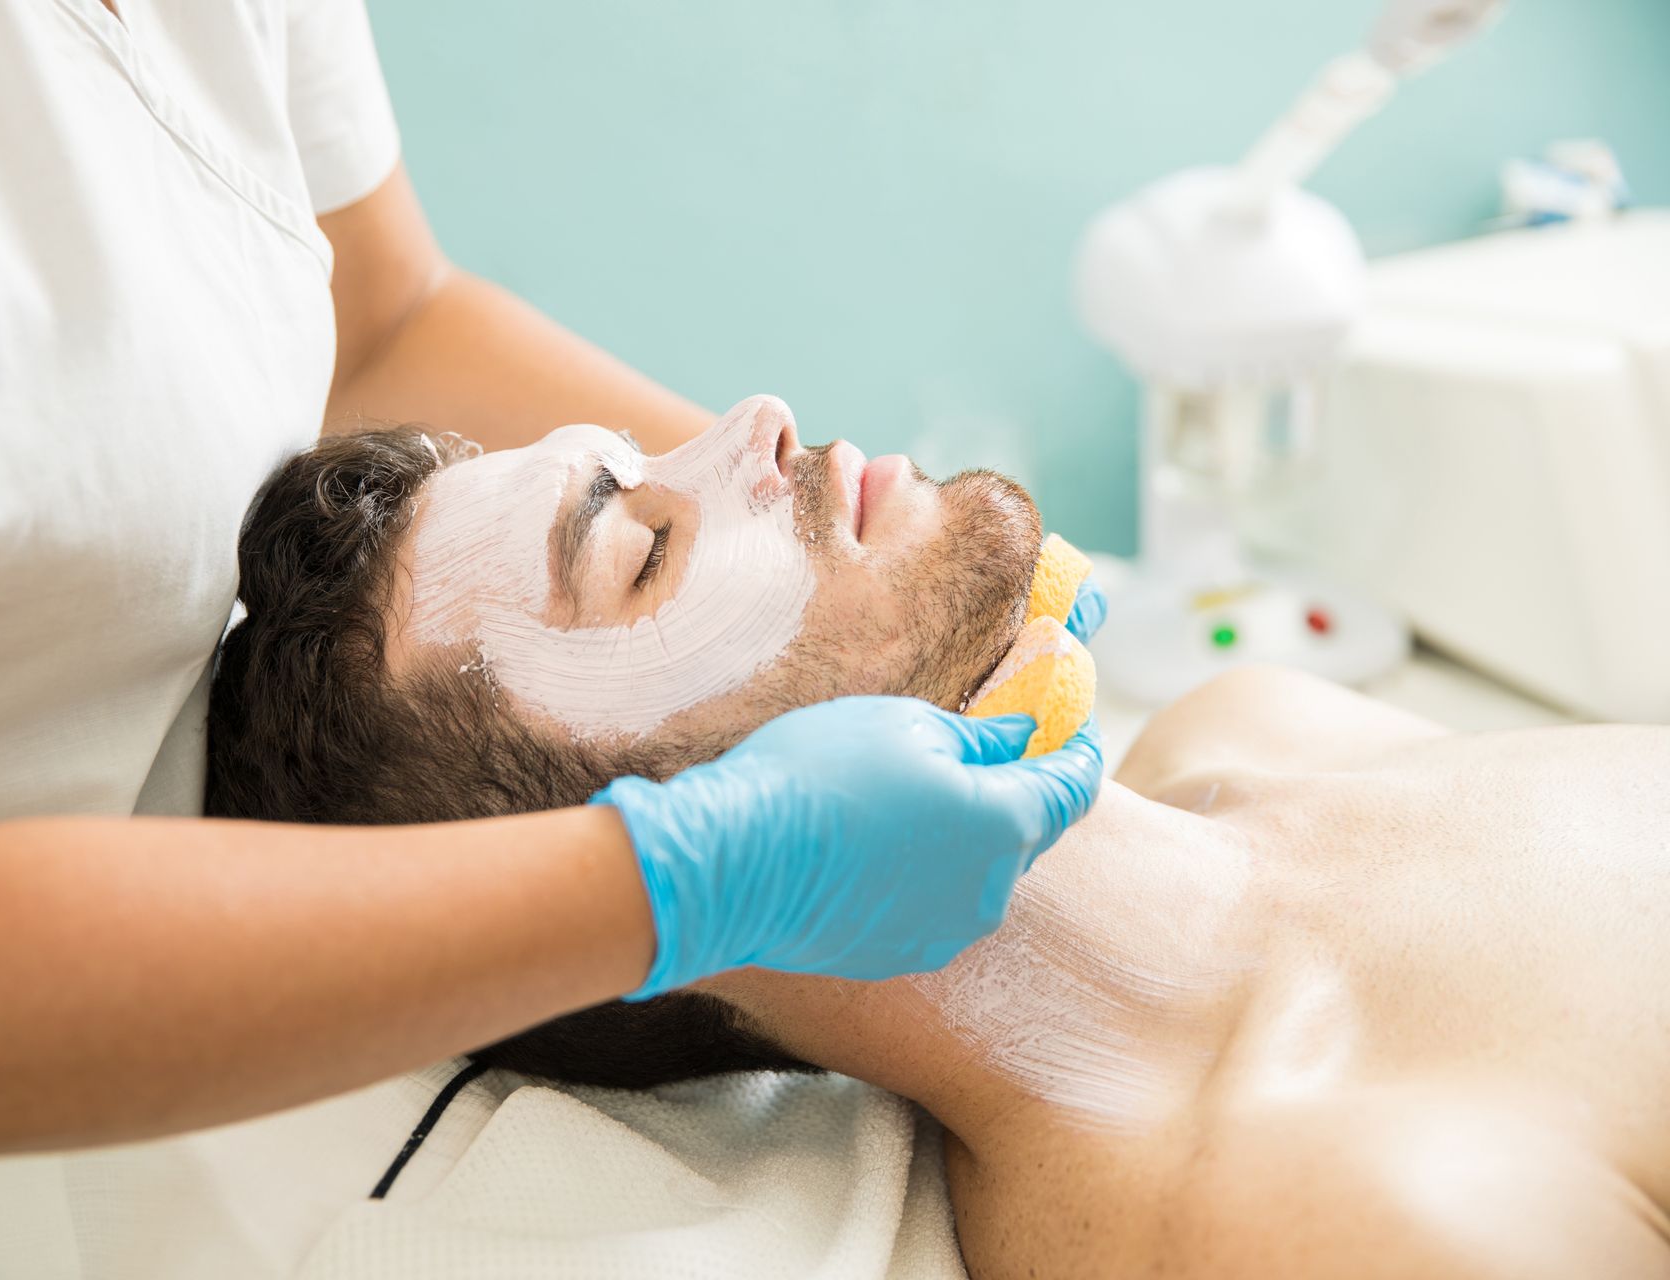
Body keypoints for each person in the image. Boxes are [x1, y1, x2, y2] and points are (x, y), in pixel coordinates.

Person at [0, 6, 1101, 1273]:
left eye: (632, 485)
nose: (763, 411)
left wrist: (874, 568)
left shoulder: (1242, 745)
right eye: (637, 554)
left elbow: (379, 321)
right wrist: (689, 880)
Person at [210, 406, 1670, 1279]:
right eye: (642, 548)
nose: (759, 419)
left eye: (648, 454)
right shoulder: (1345, 1217)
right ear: (679, 861)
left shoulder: (1262, 727)